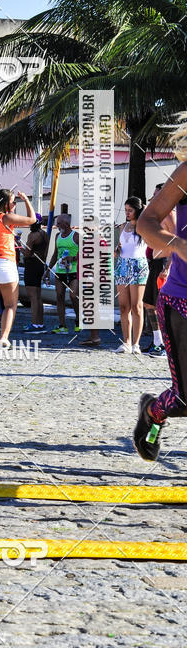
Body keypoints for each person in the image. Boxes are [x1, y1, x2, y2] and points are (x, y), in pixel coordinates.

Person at [132, 115, 187, 461]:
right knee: (186, 400)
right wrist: (178, 245)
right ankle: (153, 411)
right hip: (183, 299)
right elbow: (146, 222)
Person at [0, 189, 35, 348]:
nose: (14, 204)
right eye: (13, 201)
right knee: (10, 304)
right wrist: (26, 200)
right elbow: (32, 220)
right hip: (4, 262)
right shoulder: (6, 217)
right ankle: (3, 337)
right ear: (5, 203)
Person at [142, 184, 175, 357]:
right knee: (149, 303)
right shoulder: (158, 215)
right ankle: (157, 342)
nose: (153, 198)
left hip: (164, 264)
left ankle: (165, 345)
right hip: (154, 263)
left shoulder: (170, 215)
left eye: (157, 195)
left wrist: (168, 266)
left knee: (162, 306)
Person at [114, 197, 149, 354]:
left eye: (130, 210)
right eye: (126, 210)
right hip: (122, 265)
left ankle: (136, 344)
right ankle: (126, 342)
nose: (127, 213)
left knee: (137, 306)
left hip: (138, 265)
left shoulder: (144, 226)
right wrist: (117, 251)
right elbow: (122, 246)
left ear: (138, 210)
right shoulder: (123, 226)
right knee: (123, 306)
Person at [45, 214, 80, 335]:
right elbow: (55, 254)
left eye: (59, 223)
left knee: (73, 296)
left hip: (73, 271)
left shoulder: (76, 236)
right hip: (60, 270)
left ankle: (78, 320)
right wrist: (48, 270)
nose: (57, 226)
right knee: (59, 296)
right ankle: (62, 325)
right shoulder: (57, 236)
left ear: (66, 224)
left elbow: (85, 253)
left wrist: (73, 257)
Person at [21, 215, 48, 332]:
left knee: (33, 297)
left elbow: (26, 253)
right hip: (40, 265)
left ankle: (34, 324)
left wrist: (17, 244)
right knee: (38, 296)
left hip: (31, 266)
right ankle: (40, 324)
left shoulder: (32, 235)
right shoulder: (44, 234)